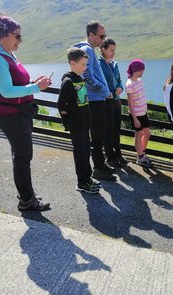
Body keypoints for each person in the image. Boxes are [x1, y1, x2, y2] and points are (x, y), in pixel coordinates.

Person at [0, 14, 51, 211]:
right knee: (23, 156)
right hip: (11, 114)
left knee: (21, 155)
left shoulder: (7, 54)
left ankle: (26, 195)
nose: (20, 40)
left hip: (18, 112)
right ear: (4, 35)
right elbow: (6, 91)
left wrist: (32, 84)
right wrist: (36, 88)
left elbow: (16, 83)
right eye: (17, 36)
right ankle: (27, 200)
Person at [73, 21, 117, 181]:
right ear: (91, 34)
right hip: (95, 100)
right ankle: (98, 168)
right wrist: (105, 91)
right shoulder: (86, 50)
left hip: (97, 99)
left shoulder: (88, 50)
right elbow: (88, 76)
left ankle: (101, 164)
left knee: (100, 133)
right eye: (101, 36)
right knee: (97, 134)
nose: (103, 39)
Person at [57, 48, 101, 194]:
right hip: (76, 125)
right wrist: (68, 122)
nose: (85, 67)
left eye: (86, 64)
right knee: (80, 153)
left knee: (86, 151)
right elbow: (61, 104)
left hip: (84, 124)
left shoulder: (80, 79)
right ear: (72, 63)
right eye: (82, 64)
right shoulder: (68, 81)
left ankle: (87, 178)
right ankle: (81, 182)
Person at [98, 39, 128, 168]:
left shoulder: (114, 64)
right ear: (103, 49)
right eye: (111, 50)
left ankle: (118, 154)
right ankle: (110, 157)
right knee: (108, 130)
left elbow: (120, 80)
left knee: (116, 129)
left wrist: (121, 88)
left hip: (116, 101)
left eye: (114, 50)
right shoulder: (98, 64)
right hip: (106, 102)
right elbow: (97, 81)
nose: (113, 53)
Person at [125, 59, 152, 167]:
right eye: (141, 70)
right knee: (138, 134)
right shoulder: (129, 84)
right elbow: (130, 103)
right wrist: (135, 119)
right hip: (136, 114)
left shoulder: (139, 81)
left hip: (143, 113)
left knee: (147, 133)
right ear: (136, 70)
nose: (142, 72)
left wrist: (145, 111)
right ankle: (140, 157)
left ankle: (142, 152)